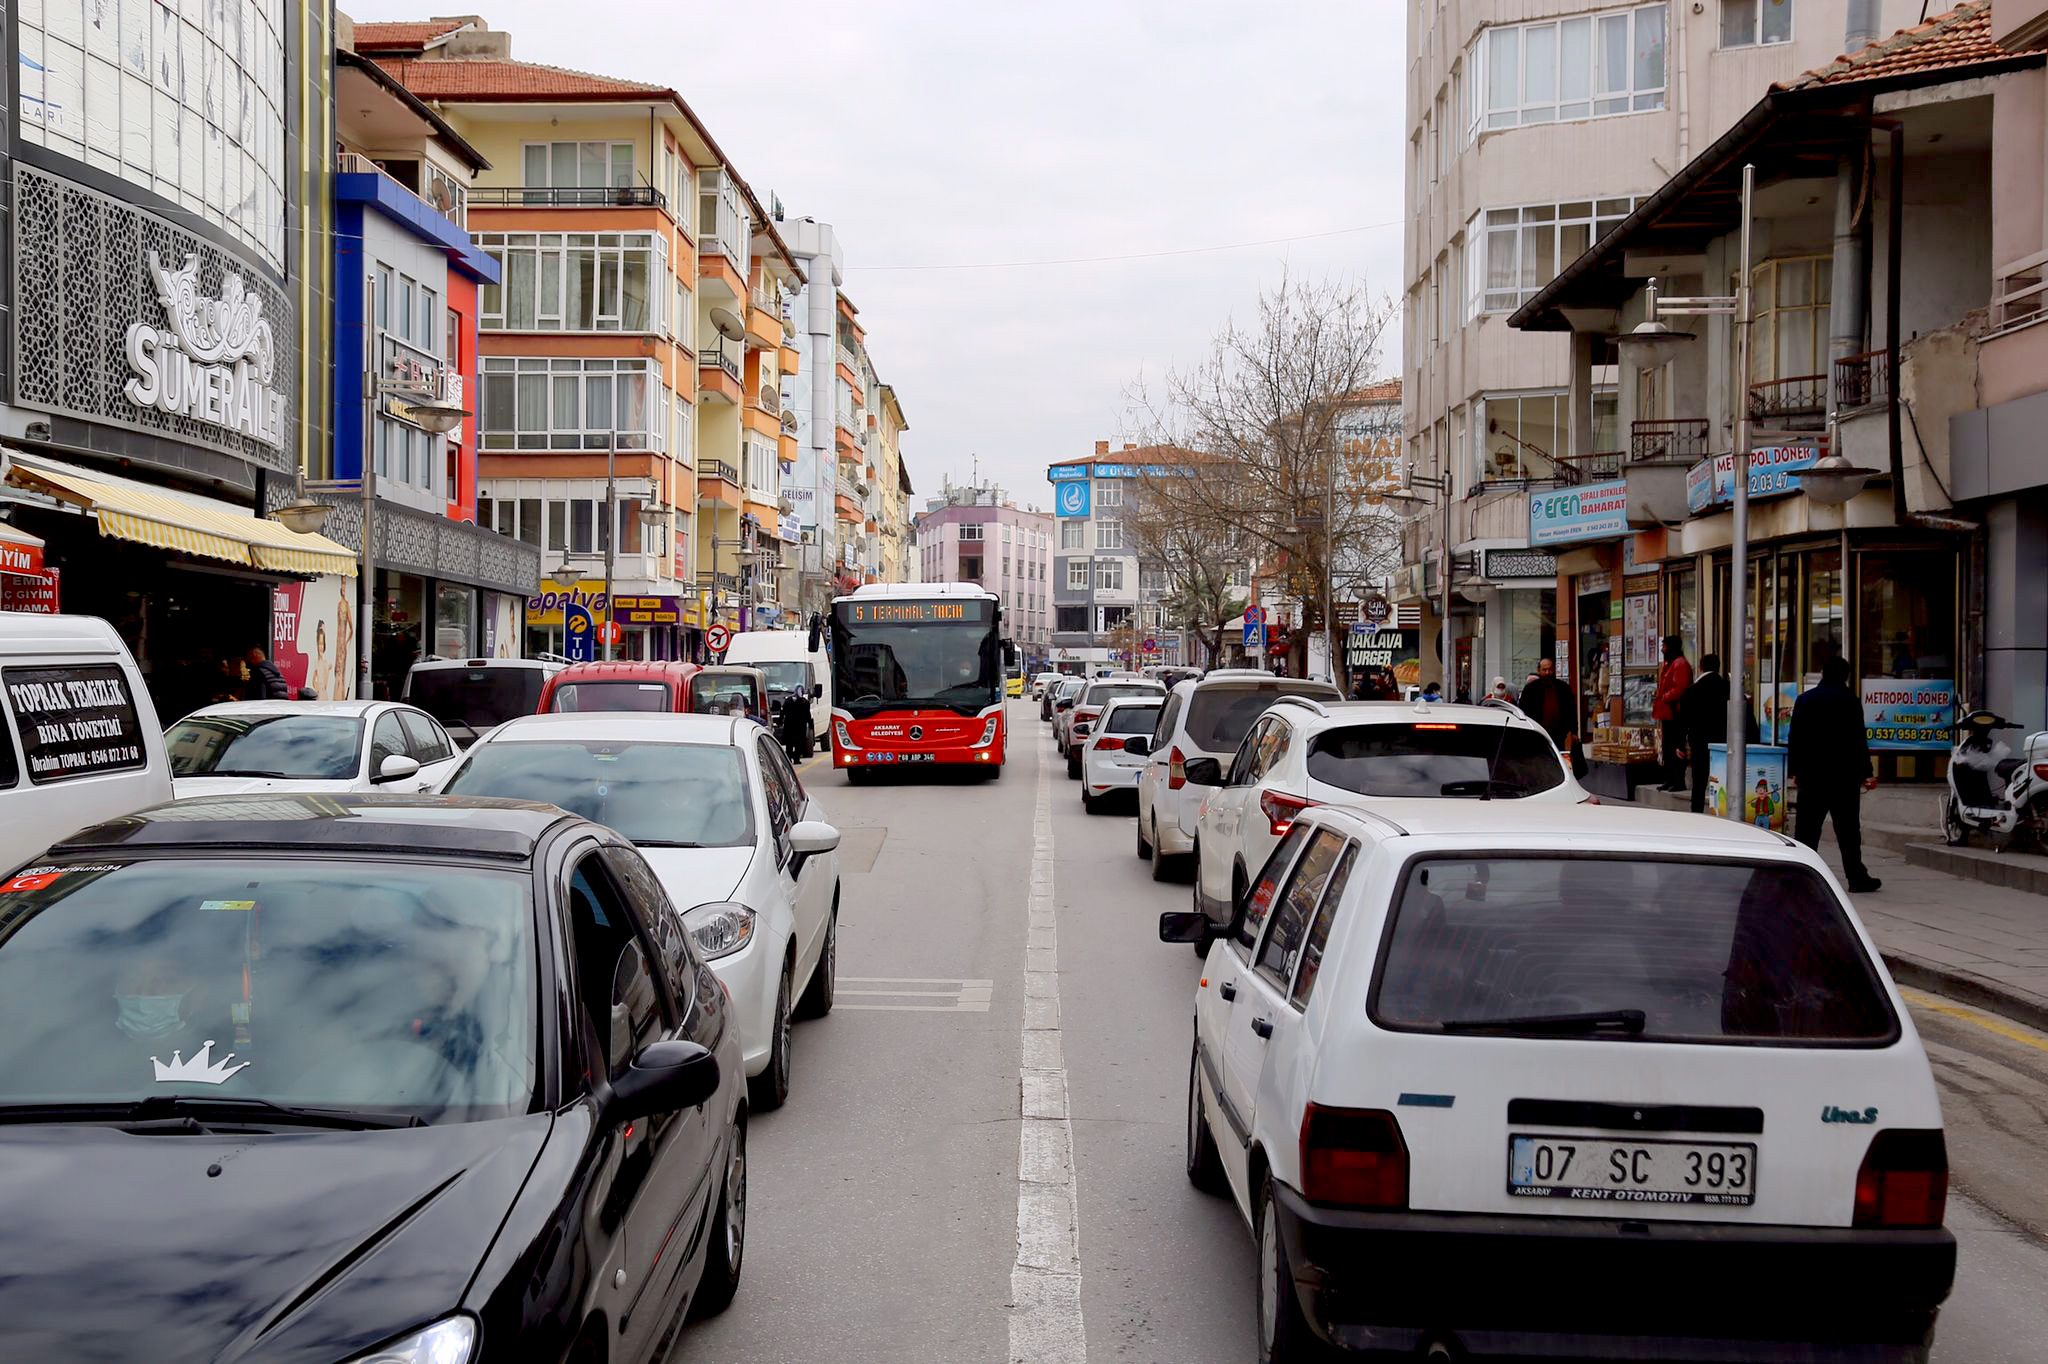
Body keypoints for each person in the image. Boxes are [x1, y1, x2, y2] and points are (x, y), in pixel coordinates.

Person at [1787, 655, 1881, 893]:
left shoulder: (1805, 700)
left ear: (1822, 673)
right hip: (1844, 779)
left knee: (1807, 831)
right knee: (1848, 831)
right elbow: (1858, 740)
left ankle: (1799, 877)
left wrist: (1795, 771)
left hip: (1812, 777)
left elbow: (1795, 738)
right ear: (1846, 676)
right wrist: (1867, 773)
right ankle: (1856, 877)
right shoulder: (1850, 701)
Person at [1654, 635, 1693, 791]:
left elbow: (1680, 688)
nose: (1662, 650)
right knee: (1669, 748)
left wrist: (1664, 697)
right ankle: (1670, 778)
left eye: (1664, 647)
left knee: (1676, 747)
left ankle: (1678, 781)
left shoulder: (1679, 664)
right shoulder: (1672, 663)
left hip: (1675, 713)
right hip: (1668, 712)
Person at [1519, 656, 1576, 754]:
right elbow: (1523, 711)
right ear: (1538, 670)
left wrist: (1574, 731)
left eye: (1550, 670)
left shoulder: (1563, 688)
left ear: (1554, 670)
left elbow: (1571, 711)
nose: (1547, 673)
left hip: (1559, 735)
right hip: (1537, 734)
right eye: (1544, 670)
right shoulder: (1530, 689)